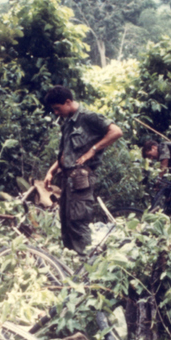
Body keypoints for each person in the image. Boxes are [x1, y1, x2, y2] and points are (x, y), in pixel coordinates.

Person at [42, 86, 122, 255]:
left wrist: (93, 150)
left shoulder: (89, 117)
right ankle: (72, 265)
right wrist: (51, 171)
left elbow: (116, 131)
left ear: (68, 102)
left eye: (58, 108)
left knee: (78, 222)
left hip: (81, 180)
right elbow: (66, 154)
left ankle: (89, 265)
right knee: (66, 222)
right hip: (67, 179)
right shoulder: (68, 123)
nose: (56, 113)